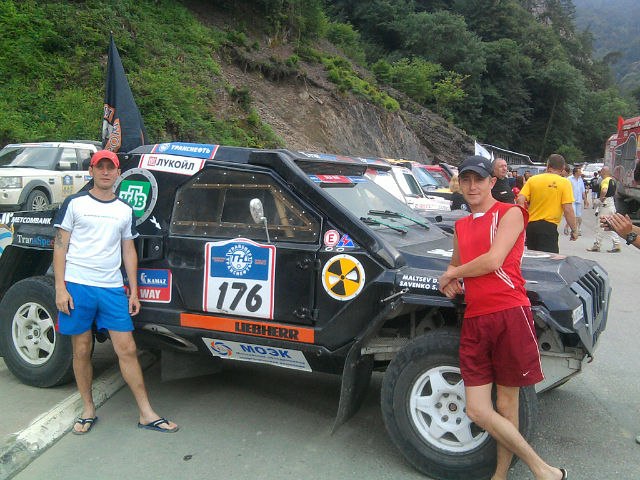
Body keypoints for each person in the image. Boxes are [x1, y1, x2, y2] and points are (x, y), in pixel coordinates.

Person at [438, 155, 567, 480]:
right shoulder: (461, 226)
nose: (472, 186)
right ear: (459, 184)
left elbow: (493, 260)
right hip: (475, 318)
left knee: (508, 404)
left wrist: (453, 274)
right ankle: (542, 469)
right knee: (477, 409)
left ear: (492, 182)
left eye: (478, 179)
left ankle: (501, 475)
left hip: (509, 313)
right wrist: (449, 279)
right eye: (466, 180)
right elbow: (455, 266)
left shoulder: (510, 213)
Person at [54, 150, 179, 435]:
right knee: (81, 349)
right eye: (100, 167)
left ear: (118, 173)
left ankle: (146, 413)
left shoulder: (124, 209)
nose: (105, 172)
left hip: (111, 288)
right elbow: (60, 246)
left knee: (128, 348)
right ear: (91, 171)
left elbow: (128, 250)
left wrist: (134, 291)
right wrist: (60, 288)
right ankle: (88, 409)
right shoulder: (75, 203)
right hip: (78, 285)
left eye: (110, 168)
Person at [516, 154, 578, 253]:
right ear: (562, 168)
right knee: (549, 259)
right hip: (549, 227)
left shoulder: (533, 179)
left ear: (548, 165)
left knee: (534, 257)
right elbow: (568, 209)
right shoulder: (564, 183)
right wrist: (574, 230)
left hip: (531, 226)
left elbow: (520, 199)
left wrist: (521, 218)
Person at [586, 166, 620, 252]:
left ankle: (597, 245)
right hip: (611, 204)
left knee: (600, 225)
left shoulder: (605, 181)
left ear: (604, 172)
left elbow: (604, 190)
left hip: (605, 205)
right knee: (609, 225)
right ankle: (616, 244)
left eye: (601, 171)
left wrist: (600, 199)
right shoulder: (612, 181)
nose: (600, 173)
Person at [564, 166, 588, 235]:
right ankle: (568, 227)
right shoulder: (569, 179)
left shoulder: (580, 180)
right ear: (575, 173)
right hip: (571, 200)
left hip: (578, 200)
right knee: (573, 215)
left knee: (578, 216)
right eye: (579, 172)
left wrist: (585, 200)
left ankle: (577, 229)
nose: (581, 173)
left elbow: (583, 191)